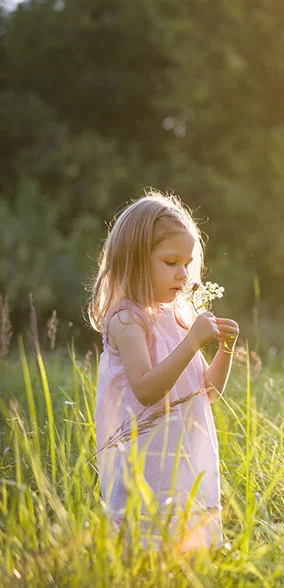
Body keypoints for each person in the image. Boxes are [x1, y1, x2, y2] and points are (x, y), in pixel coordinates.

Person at [87, 189, 239, 551]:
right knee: (147, 540)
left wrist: (225, 349)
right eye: (170, 262)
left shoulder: (176, 317)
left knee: (184, 545)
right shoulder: (127, 319)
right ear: (135, 261)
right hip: (146, 454)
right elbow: (146, 390)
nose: (182, 274)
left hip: (184, 451)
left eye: (187, 264)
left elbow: (209, 392)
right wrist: (192, 343)